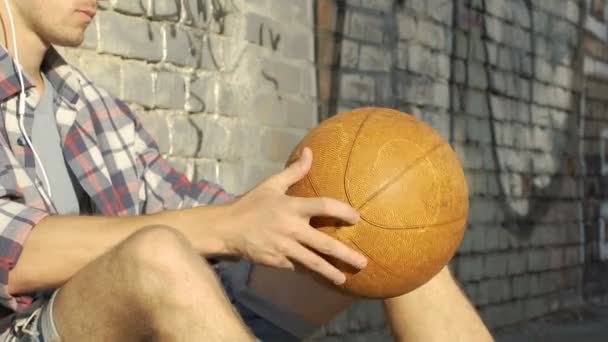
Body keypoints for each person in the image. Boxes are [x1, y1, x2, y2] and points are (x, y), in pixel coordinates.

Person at [0, 0, 494, 341]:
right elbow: (14, 253)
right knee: (156, 254)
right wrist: (227, 228)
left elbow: (185, 206)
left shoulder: (87, 105)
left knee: (387, 231)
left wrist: (274, 218)